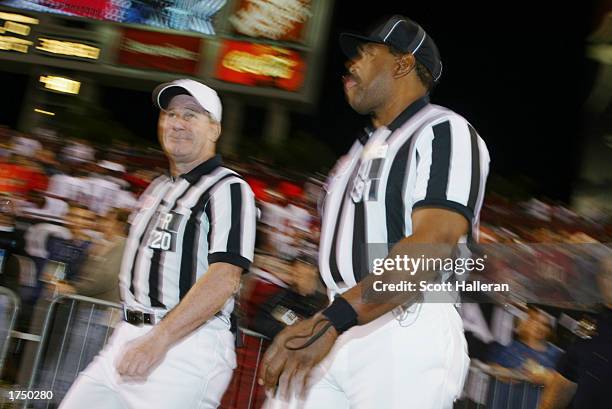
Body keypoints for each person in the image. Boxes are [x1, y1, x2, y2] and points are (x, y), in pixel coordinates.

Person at [259, 15, 490, 409]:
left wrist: (334, 319)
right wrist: (332, 315)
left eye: (366, 53)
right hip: (342, 316)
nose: (351, 63)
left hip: (404, 326)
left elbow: (433, 244)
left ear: (402, 64)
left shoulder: (443, 130)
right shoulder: (358, 150)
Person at [60, 79, 257, 409]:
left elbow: (225, 277)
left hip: (184, 345)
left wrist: (159, 339)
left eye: (191, 115)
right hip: (129, 335)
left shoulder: (229, 188)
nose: (177, 123)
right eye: (170, 114)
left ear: (214, 129)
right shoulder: (158, 188)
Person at [486, 306, 563, 409]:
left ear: (550, 330)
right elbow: (492, 367)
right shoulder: (510, 347)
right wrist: (503, 373)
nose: (538, 327)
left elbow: (566, 384)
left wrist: (548, 378)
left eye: (544, 324)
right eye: (534, 320)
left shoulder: (557, 355)